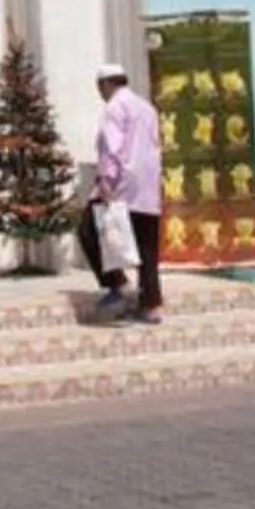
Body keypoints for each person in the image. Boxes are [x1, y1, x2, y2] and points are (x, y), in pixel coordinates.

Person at [92, 61, 164, 325]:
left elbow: (113, 148)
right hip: (148, 188)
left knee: (89, 229)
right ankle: (151, 304)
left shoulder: (114, 107)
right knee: (147, 247)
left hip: (123, 185)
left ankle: (117, 285)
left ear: (106, 84)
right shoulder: (147, 108)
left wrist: (106, 181)